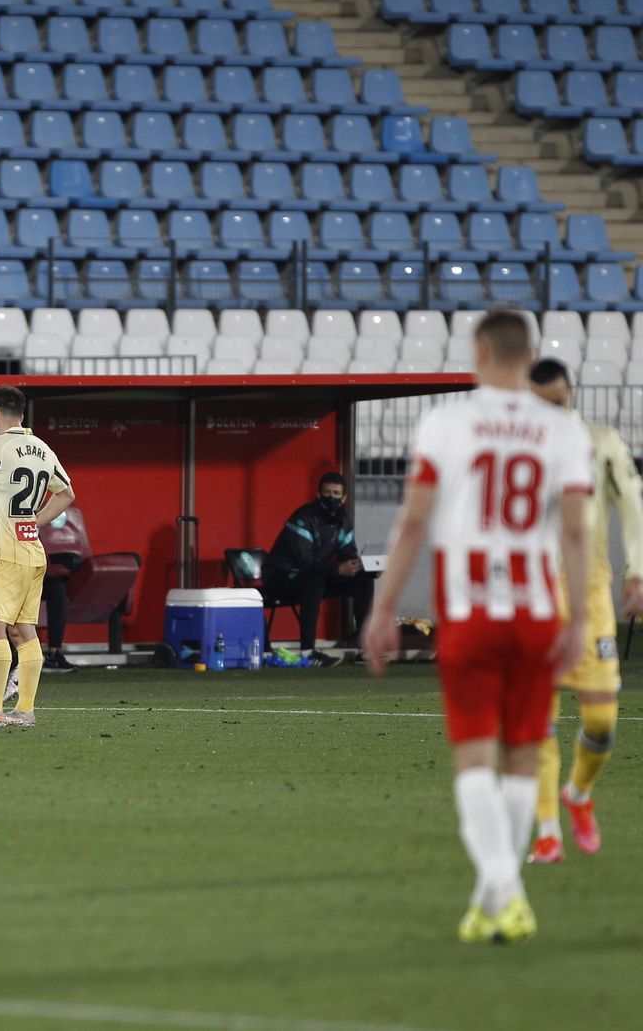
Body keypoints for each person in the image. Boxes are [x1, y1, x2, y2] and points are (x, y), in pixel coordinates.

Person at [363, 309, 592, 944]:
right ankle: (494, 898)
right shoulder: (563, 430)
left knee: (474, 760)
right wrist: (577, 612)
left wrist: (383, 609)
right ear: (528, 356)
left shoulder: (448, 422)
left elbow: (412, 524)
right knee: (523, 758)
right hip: (536, 612)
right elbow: (575, 531)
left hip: (469, 613)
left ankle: (503, 893)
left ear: (481, 352)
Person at [527, 358, 643, 863]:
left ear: (569, 393)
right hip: (533, 595)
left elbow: (632, 503)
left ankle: (578, 794)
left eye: (556, 401)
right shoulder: (519, 449)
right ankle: (547, 832)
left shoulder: (602, 443)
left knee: (601, 724)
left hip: (590, 593)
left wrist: (637, 569)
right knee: (537, 723)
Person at [0, 385, 76, 729]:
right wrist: (34, 521)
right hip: (33, 553)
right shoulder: (42, 448)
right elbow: (66, 493)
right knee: (24, 632)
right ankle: (24, 710)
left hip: (5, 556)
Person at [262, 472, 372, 666]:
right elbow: (306, 562)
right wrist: (338, 570)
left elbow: (347, 554)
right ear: (319, 495)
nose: (332, 497)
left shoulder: (343, 521)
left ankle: (366, 649)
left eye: (336, 493)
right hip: (281, 578)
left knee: (363, 581)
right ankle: (308, 652)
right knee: (315, 580)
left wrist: (362, 567)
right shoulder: (303, 518)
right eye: (327, 492)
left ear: (344, 497)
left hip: (314, 576)